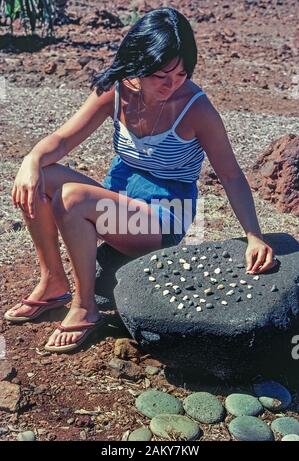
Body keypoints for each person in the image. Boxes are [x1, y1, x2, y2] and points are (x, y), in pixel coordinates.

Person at [4, 7, 276, 352]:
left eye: (181, 74)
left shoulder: (197, 108)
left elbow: (232, 176)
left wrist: (254, 235)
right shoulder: (115, 91)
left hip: (163, 218)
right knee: (40, 176)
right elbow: (61, 140)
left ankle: (86, 306)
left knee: (71, 197)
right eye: (162, 75)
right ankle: (53, 281)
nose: (172, 84)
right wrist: (30, 160)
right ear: (138, 63)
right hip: (119, 204)